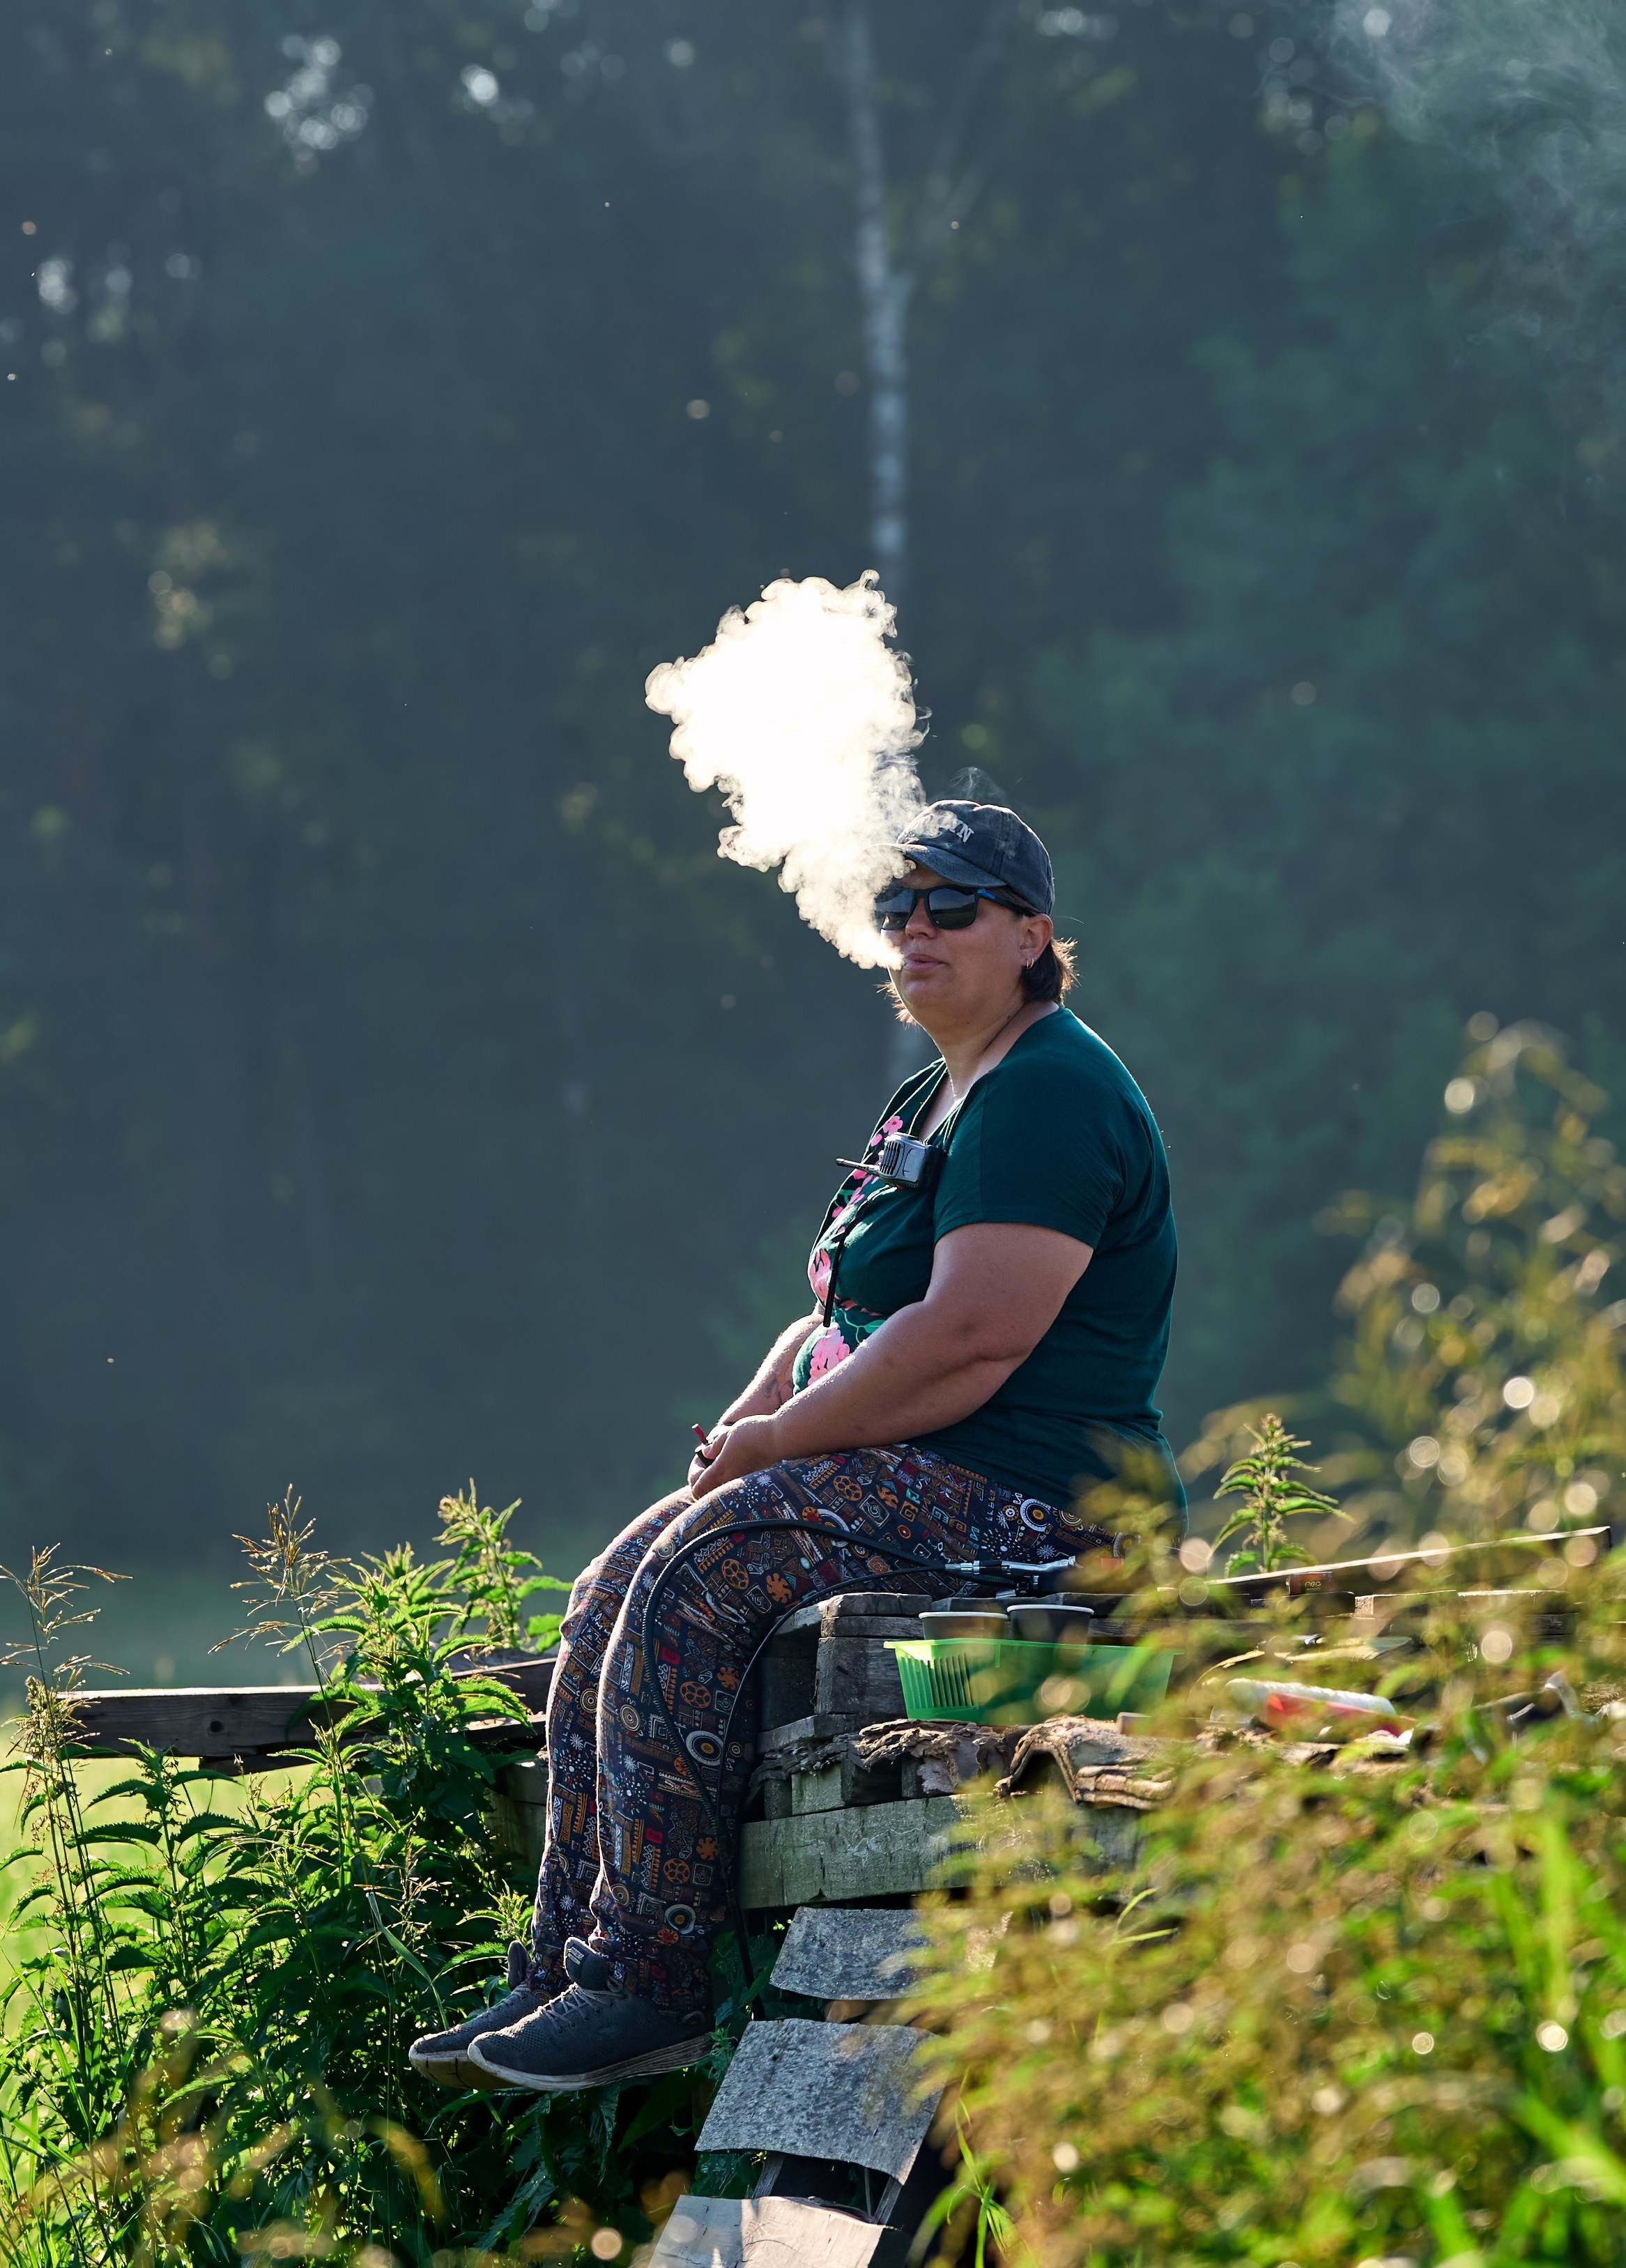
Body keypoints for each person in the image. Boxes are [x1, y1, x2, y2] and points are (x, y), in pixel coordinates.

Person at [406, 799, 1179, 2096]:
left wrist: (776, 1448)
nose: (914, 930)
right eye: (897, 907)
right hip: (933, 1481)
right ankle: (569, 1967)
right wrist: (747, 1427)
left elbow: (967, 1340)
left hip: (1044, 1505)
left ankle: (651, 1983)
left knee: (709, 1560)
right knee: (620, 1577)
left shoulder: (1049, 1088)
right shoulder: (940, 1088)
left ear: (1032, 935)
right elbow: (841, 1313)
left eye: (952, 906)